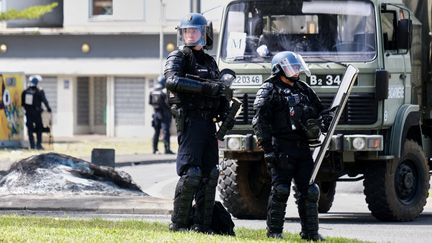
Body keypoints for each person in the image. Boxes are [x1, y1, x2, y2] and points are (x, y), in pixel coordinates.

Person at [252, 51, 332, 241]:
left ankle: (310, 233)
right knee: (280, 190)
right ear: (279, 69)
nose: (295, 71)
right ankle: (274, 233)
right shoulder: (269, 89)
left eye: (297, 67)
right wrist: (268, 149)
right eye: (291, 67)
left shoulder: (303, 88)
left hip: (303, 147)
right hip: (281, 148)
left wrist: (326, 119)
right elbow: (259, 121)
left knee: (310, 191)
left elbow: (321, 110)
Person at [164, 13, 230, 233]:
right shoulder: (179, 57)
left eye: (194, 31)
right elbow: (172, 80)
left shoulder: (210, 62)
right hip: (190, 122)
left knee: (211, 174)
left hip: (209, 124)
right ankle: (179, 225)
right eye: (186, 31)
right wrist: (206, 87)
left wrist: (224, 106)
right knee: (191, 174)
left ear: (204, 34)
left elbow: (219, 89)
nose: (190, 35)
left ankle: (203, 225)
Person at [21, 75, 52, 150]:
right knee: (39, 129)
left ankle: (32, 145)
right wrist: (48, 109)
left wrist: (28, 110)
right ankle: (38, 145)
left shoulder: (25, 91)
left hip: (28, 113)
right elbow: (44, 101)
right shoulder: (39, 91)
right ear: (37, 82)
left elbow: (23, 104)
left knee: (30, 129)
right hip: (37, 113)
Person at [149, 75, 174, 154]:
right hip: (165, 114)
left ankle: (154, 149)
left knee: (156, 132)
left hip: (156, 114)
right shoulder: (164, 91)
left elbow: (150, 102)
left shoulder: (152, 91)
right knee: (166, 132)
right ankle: (167, 149)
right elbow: (168, 103)